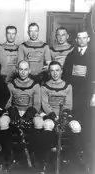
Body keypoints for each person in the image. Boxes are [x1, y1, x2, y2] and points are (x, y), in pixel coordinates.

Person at [33, 61, 81, 172]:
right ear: (49, 72)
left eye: (57, 70)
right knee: (47, 125)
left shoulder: (68, 86)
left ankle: (73, 157)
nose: (55, 73)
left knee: (76, 126)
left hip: (64, 115)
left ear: (61, 71)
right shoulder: (44, 87)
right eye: (52, 71)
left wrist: (63, 117)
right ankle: (47, 159)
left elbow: (68, 104)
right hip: (51, 115)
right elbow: (45, 104)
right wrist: (54, 116)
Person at [62, 29, 95, 169]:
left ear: (88, 39)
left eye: (84, 38)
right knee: (74, 124)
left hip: (89, 96)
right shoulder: (71, 56)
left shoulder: (94, 55)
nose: (81, 40)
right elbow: (65, 77)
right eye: (79, 38)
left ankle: (88, 158)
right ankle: (74, 156)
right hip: (74, 95)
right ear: (76, 40)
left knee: (88, 126)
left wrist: (94, 94)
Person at [0, 60, 41, 170]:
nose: (23, 72)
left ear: (29, 71)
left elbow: (37, 104)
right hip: (14, 111)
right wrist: (13, 111)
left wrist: (29, 115)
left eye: (25, 69)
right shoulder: (11, 84)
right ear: (17, 70)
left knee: (39, 122)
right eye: (21, 69)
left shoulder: (35, 85)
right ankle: (8, 156)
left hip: (29, 111)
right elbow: (7, 102)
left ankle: (35, 156)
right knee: (2, 122)